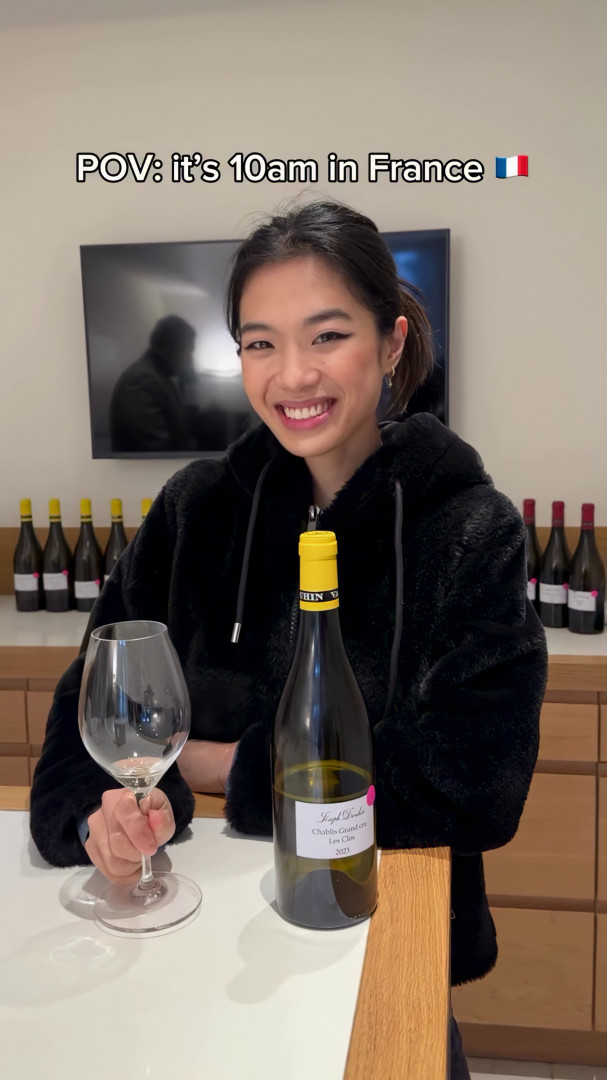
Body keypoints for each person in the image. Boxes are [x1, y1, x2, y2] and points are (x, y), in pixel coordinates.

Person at [31, 199, 548, 1080]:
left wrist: (220, 768)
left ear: (390, 343)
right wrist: (101, 819)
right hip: (192, 951)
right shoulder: (193, 511)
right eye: (260, 343)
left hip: (377, 936)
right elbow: (90, 719)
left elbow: (472, 787)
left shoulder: (469, 529)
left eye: (327, 335)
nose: (292, 374)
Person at [109, 314, 196, 452]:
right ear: (169, 347)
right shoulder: (140, 381)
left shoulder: (159, 377)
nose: (190, 359)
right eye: (187, 350)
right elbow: (154, 450)